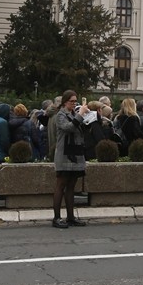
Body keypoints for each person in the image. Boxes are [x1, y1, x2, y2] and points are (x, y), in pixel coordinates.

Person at [52, 90, 88, 228]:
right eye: (71, 101)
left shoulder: (73, 113)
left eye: (75, 101)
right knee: (61, 185)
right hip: (64, 154)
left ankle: (71, 217)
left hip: (75, 153)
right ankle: (56, 218)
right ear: (65, 101)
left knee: (72, 186)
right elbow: (68, 127)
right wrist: (80, 115)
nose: (74, 104)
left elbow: (79, 129)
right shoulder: (60, 115)